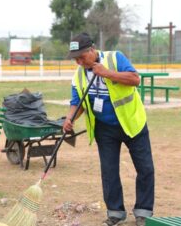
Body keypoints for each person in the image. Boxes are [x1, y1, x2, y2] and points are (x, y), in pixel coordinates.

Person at [62, 33, 154, 226]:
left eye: (81, 56)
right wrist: (70, 118)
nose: (79, 62)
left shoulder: (115, 58)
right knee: (109, 171)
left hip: (132, 123)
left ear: (92, 50)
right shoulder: (78, 76)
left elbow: (135, 79)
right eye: (75, 58)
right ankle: (115, 212)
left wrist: (107, 73)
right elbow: (77, 102)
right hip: (104, 129)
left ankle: (143, 212)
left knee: (145, 168)